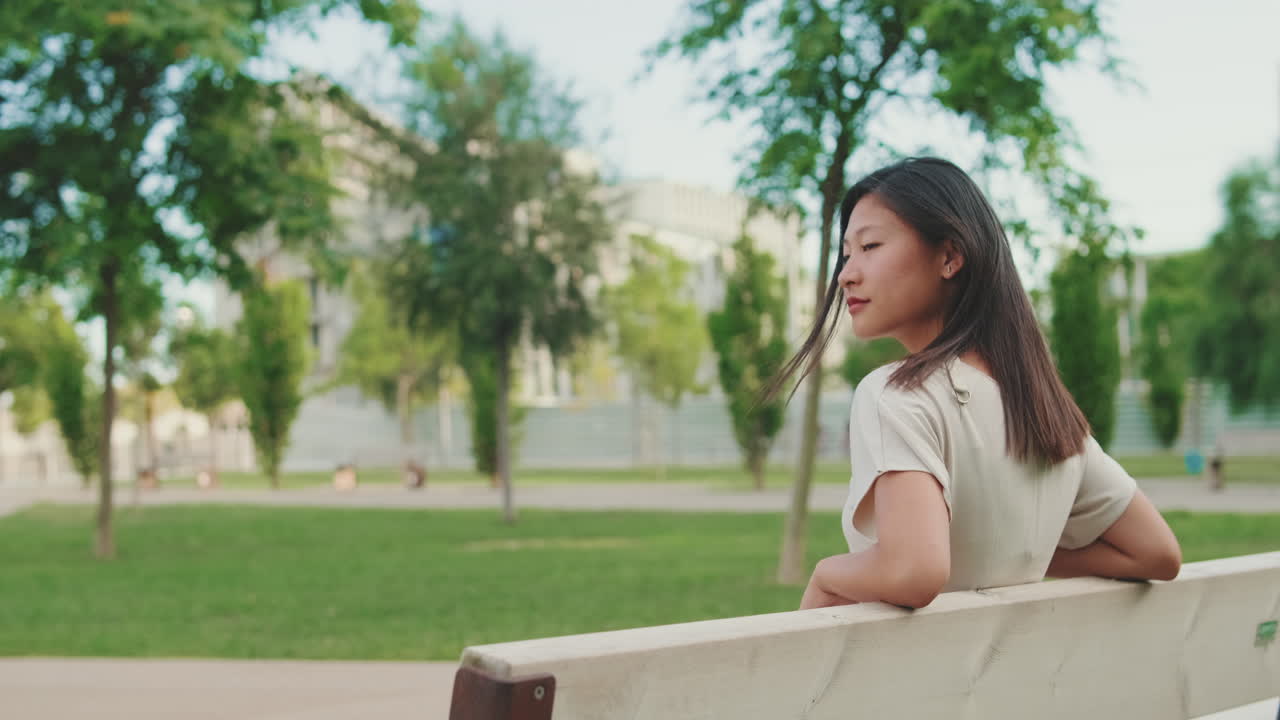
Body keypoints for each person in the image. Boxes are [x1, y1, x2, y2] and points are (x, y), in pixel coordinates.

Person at [761, 157, 1182, 611]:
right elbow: (1156, 552)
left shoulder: (897, 395)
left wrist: (826, 575)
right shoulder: (1045, 410)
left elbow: (913, 571)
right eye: (846, 254)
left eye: (870, 246)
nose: (846, 273)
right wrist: (1027, 557)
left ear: (949, 256)